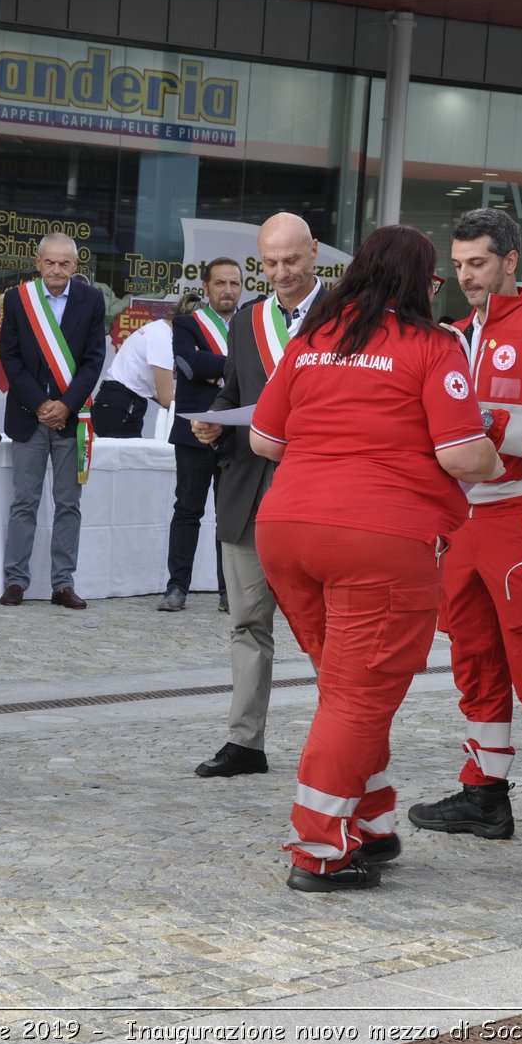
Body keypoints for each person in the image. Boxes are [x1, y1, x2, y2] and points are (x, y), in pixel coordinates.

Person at [249, 224, 503, 892]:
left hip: (286, 530)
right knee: (358, 700)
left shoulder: (310, 339)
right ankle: (318, 849)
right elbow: (461, 454)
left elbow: (263, 440)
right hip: (380, 538)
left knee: (344, 689)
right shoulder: (433, 345)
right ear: (419, 282)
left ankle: (372, 823)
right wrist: (493, 452)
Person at [406, 207, 522, 867]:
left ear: (511, 260)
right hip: (463, 521)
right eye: (457, 265)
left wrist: (483, 416)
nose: (466, 276)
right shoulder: (450, 336)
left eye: (477, 263)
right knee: (474, 659)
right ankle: (484, 794)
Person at [190, 212, 325, 778]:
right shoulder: (248, 320)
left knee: (331, 627)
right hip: (248, 488)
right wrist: (215, 419)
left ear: (314, 253)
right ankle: (246, 742)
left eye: (291, 260)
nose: (281, 273)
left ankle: (341, 744)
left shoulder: (348, 317)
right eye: (269, 263)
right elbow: (232, 391)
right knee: (247, 621)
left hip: (319, 491)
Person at [0, 232, 107, 609]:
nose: (57, 270)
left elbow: (94, 359)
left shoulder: (91, 300)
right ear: (38, 262)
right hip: (29, 416)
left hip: (71, 419)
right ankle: (15, 581)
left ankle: (63, 584)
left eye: (65, 263)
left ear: (76, 266)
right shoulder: (17, 299)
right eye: (51, 262)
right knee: (24, 502)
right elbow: (9, 358)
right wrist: (42, 404)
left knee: (68, 504)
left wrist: (65, 405)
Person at [161, 257, 244, 612]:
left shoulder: (252, 324)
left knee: (230, 515)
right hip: (193, 430)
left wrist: (214, 368)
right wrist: (235, 368)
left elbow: (265, 367)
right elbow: (188, 364)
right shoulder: (186, 322)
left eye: (234, 284)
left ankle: (229, 592)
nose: (228, 290)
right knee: (187, 510)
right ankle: (177, 587)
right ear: (206, 287)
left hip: (237, 431)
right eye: (221, 283)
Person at [90, 294, 197, 438]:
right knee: (128, 459)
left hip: (113, 402)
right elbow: (166, 399)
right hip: (121, 406)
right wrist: (200, 404)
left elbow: (155, 391)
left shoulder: (158, 328)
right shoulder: (163, 341)